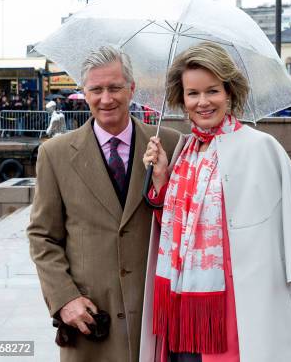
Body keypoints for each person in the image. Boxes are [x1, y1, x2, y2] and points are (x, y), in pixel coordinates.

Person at [140, 42, 291, 362]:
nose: (202, 102)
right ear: (181, 99)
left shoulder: (260, 148)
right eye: (192, 93)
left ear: (229, 92)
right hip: (181, 307)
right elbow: (175, 230)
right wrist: (160, 180)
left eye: (212, 91)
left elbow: (282, 233)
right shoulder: (186, 151)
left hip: (235, 308)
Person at [28, 46, 181, 362]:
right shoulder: (54, 155)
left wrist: (163, 183)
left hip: (155, 318)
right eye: (96, 89)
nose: (106, 98)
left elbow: (185, 224)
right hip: (91, 319)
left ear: (132, 88)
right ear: (84, 93)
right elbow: (42, 236)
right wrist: (64, 298)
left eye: (115, 87)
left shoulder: (169, 143)